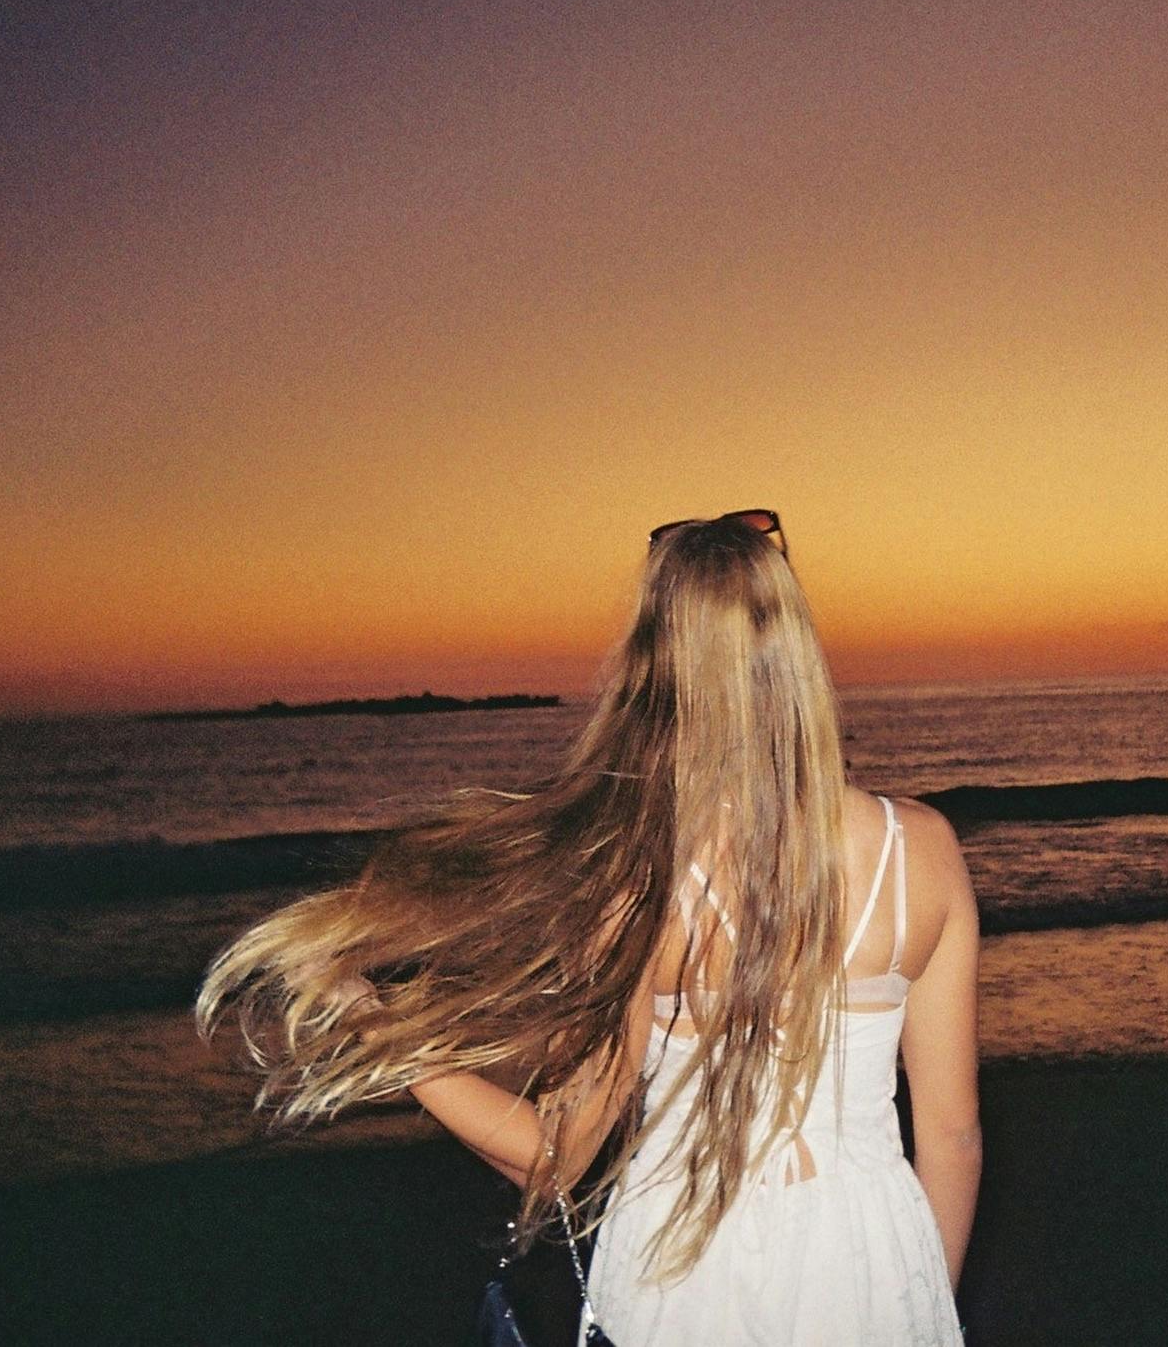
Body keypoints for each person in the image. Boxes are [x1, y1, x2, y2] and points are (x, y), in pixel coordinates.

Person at [196, 509, 980, 1345]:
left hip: (691, 1265)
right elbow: (952, 1133)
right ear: (795, 651)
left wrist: (376, 1027)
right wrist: (923, 1300)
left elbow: (553, 1159)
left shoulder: (639, 880)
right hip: (870, 1255)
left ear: (656, 665)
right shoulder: (924, 851)